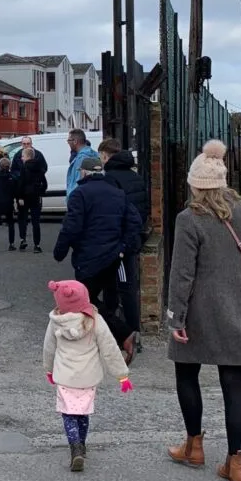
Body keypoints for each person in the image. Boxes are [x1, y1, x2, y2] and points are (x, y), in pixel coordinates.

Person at [166, 141, 241, 481]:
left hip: (200, 308)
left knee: (186, 374)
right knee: (234, 384)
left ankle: (194, 446)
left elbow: (182, 273)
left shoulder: (189, 218)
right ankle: (236, 463)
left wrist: (175, 317)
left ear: (196, 183)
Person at [53, 156, 142, 359]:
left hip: (89, 257)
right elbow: (134, 221)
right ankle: (108, 341)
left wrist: (60, 251)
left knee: (83, 301)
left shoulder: (79, 194)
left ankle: (123, 333)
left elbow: (71, 227)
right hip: (113, 256)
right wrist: (123, 246)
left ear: (83, 173)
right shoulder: (118, 194)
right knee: (108, 299)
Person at [43, 280, 132, 473]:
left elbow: (49, 348)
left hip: (65, 377)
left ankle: (74, 447)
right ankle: (82, 444)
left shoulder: (55, 321)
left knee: (68, 413)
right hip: (88, 377)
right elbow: (109, 348)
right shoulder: (95, 320)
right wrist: (122, 375)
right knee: (82, 412)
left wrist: (49, 370)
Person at [99, 138, 150, 340]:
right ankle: (125, 329)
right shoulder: (135, 176)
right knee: (123, 286)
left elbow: (111, 213)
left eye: (101, 156)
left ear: (106, 155)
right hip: (133, 237)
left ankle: (128, 332)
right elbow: (142, 209)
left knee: (121, 287)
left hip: (119, 242)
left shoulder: (110, 178)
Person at [16, 147, 47, 253]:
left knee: (23, 219)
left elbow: (21, 183)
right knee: (36, 221)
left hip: (25, 197)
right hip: (36, 196)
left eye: (23, 156)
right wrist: (40, 192)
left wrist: (19, 196)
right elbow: (45, 184)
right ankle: (37, 245)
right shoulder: (40, 168)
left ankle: (23, 239)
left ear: (27, 156)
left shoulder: (24, 168)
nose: (21, 158)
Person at [66, 129, 98, 197]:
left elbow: (78, 183)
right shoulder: (94, 155)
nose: (67, 143)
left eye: (69, 140)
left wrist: (72, 199)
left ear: (75, 141)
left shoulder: (81, 159)